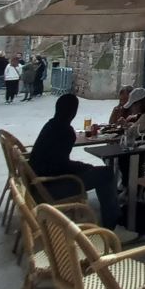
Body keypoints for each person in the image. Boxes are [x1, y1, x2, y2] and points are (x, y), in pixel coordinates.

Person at [29, 93, 121, 230]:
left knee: (99, 172)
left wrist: (81, 167)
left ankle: (113, 215)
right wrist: (82, 167)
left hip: (37, 182)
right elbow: (60, 166)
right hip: (50, 186)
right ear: (74, 111)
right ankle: (113, 225)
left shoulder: (50, 125)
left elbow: (57, 161)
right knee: (106, 174)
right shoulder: (66, 132)